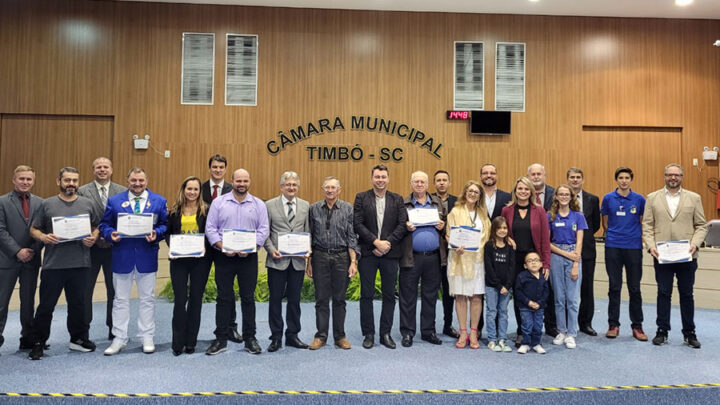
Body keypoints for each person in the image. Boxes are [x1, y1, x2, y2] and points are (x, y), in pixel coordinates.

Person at [27, 167, 99, 360]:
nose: (71, 184)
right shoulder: (47, 204)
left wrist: (93, 237)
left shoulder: (87, 203)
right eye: (67, 180)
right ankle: (38, 342)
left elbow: (95, 227)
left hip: (81, 264)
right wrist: (43, 236)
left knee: (79, 305)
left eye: (75, 180)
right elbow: (33, 229)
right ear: (58, 181)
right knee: (46, 306)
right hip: (53, 265)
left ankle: (78, 339)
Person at [100, 168, 168, 356]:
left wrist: (157, 234)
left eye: (141, 180)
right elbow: (104, 225)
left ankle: (147, 336)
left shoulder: (159, 201)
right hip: (122, 256)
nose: (137, 184)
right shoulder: (114, 201)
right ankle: (119, 338)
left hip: (147, 256)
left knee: (147, 299)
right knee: (120, 300)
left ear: (147, 180)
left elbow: (165, 225)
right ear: (126, 181)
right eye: (133, 180)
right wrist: (109, 234)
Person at [643, 164, 708, 348]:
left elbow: (701, 225)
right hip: (661, 255)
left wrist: (695, 243)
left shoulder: (694, 198)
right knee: (663, 293)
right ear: (664, 176)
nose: (673, 178)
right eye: (670, 175)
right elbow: (647, 225)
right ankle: (662, 331)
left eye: (677, 175)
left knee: (687, 294)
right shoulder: (652, 198)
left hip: (687, 256)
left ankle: (689, 333)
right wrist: (651, 246)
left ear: (682, 177)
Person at [204, 169, 269, 355]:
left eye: (245, 180)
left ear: (250, 182)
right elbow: (210, 228)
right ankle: (221, 339)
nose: (242, 184)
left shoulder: (258, 204)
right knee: (224, 298)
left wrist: (251, 247)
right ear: (232, 181)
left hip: (248, 258)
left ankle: (250, 338)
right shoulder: (219, 202)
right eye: (238, 180)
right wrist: (222, 246)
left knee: (248, 298)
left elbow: (263, 229)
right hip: (224, 256)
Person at [354, 164, 407, 349]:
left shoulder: (397, 199)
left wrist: (387, 244)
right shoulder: (361, 197)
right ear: (371, 178)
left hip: (390, 254)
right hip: (369, 253)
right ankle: (368, 333)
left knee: (389, 295)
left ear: (388, 179)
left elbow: (402, 225)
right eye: (377, 177)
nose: (380, 180)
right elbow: (358, 224)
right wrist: (375, 242)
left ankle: (385, 333)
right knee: (366, 295)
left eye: (383, 177)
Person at [77, 157, 126, 341]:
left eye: (106, 167)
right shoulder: (82, 191)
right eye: (98, 167)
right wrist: (91, 233)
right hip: (90, 248)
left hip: (115, 248)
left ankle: (114, 329)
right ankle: (83, 330)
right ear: (93, 170)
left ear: (112, 170)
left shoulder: (122, 191)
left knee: (114, 290)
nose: (102, 170)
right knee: (85, 290)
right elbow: (79, 217)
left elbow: (125, 217)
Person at [307, 176, 358, 350]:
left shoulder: (348, 209)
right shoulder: (313, 209)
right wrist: (309, 262)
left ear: (339, 190)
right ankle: (321, 336)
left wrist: (353, 261)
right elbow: (310, 237)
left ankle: (340, 336)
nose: (330, 190)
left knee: (339, 299)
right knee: (321, 298)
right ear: (323, 189)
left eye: (333, 187)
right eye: (327, 187)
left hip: (342, 258)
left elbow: (352, 237)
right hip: (319, 256)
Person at [263, 171, 310, 352]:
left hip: (297, 261)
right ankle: (275, 336)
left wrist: (308, 249)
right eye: (288, 185)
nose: (291, 188)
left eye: (294, 185)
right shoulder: (269, 205)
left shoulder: (306, 206)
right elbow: (265, 232)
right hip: (277, 260)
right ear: (281, 186)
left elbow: (308, 232)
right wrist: (270, 249)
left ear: (298, 187)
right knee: (275, 299)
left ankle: (292, 335)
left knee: (294, 300)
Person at [501, 177, 551, 347]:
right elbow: (501, 231)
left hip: (534, 260)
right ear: (515, 191)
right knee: (519, 295)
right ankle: (522, 332)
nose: (523, 192)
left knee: (536, 293)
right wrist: (508, 237)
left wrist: (546, 263)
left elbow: (545, 238)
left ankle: (535, 331)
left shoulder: (539, 211)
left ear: (531, 192)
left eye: (526, 189)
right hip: (514, 260)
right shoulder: (507, 210)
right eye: (520, 189)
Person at [399, 171, 446, 347]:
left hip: (433, 257)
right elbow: (397, 228)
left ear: (427, 185)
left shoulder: (437, 203)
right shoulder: (402, 203)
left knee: (430, 296)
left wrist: (443, 226)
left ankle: (428, 331)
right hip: (411, 257)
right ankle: (408, 332)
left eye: (422, 182)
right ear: (411, 184)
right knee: (407, 296)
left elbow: (447, 228)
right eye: (416, 182)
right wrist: (405, 227)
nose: (419, 184)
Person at [165, 176, 211, 356]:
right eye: (189, 189)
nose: (192, 192)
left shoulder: (206, 211)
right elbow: (168, 233)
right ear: (183, 190)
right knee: (179, 300)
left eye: (196, 189)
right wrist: (174, 246)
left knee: (195, 301)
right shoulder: (174, 211)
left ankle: (191, 341)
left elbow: (209, 234)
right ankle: (178, 342)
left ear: (200, 192)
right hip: (179, 261)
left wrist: (204, 248)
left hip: (200, 261)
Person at [600, 167, 647, 341]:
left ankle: (637, 326)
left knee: (634, 288)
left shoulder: (639, 199)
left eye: (627, 177)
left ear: (631, 180)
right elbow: (605, 222)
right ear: (616, 180)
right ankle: (613, 324)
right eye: (621, 177)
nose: (624, 180)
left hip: (633, 247)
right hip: (613, 246)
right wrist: (614, 234)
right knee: (614, 287)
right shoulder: (608, 198)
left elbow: (641, 221)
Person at [0, 165, 43, 350]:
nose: (25, 182)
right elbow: (0, 230)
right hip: (7, 259)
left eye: (28, 179)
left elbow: (43, 230)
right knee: (1, 303)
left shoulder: (41, 203)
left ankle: (27, 338)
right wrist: (17, 251)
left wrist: (33, 249)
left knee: (28, 303)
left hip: (31, 260)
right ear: (14, 180)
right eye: (22, 179)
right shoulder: (2, 202)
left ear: (33, 181)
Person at [200, 154, 241, 344]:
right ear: (210, 168)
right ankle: (194, 330)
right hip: (203, 247)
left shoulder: (234, 190)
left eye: (221, 167)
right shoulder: (198, 189)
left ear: (226, 170)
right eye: (214, 167)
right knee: (199, 288)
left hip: (226, 246)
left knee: (226, 289)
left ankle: (230, 327)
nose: (217, 170)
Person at [446, 180, 490, 349]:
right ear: (465, 193)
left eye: (476, 192)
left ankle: (473, 332)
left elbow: (488, 235)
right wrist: (455, 245)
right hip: (459, 260)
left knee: (477, 296)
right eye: (470, 191)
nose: (472, 194)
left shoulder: (483, 214)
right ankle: (463, 331)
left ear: (480, 196)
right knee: (461, 296)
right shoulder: (455, 211)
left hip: (478, 261)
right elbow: (449, 235)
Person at [548, 185, 587, 349]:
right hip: (556, 256)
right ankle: (561, 331)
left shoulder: (578, 216)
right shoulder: (550, 216)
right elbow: (547, 243)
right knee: (559, 298)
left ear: (571, 197)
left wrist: (575, 264)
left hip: (573, 256)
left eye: (567, 194)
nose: (564, 197)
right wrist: (565, 255)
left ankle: (572, 333)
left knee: (572, 299)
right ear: (556, 197)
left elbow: (579, 241)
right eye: (561, 194)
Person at [566, 167, 601, 336]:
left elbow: (595, 225)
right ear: (567, 180)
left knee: (587, 288)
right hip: (564, 250)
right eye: (572, 177)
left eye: (578, 177)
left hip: (586, 251)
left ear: (583, 180)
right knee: (565, 289)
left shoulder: (592, 199)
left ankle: (585, 323)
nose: (575, 180)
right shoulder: (560, 198)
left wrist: (581, 240)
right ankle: (565, 323)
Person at [526, 163, 557, 337]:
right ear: (528, 176)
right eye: (533, 174)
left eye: (539, 174)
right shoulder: (522, 194)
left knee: (549, 288)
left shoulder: (555, 194)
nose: (536, 177)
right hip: (529, 247)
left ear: (544, 175)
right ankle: (526, 327)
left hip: (551, 247)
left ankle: (551, 325)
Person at [432, 170, 459, 339]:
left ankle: (448, 325)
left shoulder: (457, 202)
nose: (442, 183)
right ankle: (430, 326)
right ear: (434, 183)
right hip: (433, 253)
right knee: (431, 292)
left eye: (444, 180)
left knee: (449, 292)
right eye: (438, 180)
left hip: (453, 254)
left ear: (449, 183)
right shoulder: (428, 201)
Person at [484, 216, 515, 353]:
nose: (502, 231)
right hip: (492, 286)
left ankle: (502, 338)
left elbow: (512, 268)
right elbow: (489, 267)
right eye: (499, 228)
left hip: (505, 287)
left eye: (505, 228)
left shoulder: (510, 247)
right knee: (492, 312)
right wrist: (498, 285)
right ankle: (492, 339)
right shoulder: (489, 246)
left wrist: (507, 286)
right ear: (494, 229)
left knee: (503, 312)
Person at [515, 252, 549, 354]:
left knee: (538, 325)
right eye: (530, 261)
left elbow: (546, 292)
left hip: (539, 307)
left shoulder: (543, 277)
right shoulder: (522, 276)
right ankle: (525, 343)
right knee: (527, 325)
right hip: (525, 307)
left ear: (541, 264)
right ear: (525, 265)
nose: (533, 263)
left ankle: (536, 343)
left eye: (536, 260)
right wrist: (528, 302)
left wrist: (540, 303)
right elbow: (518, 292)